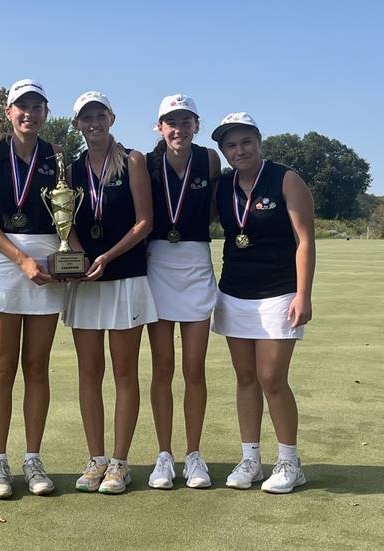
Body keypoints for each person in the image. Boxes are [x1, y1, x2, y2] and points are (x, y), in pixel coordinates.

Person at [210, 112, 315, 493]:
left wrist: (304, 294)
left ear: (259, 141)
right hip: (235, 292)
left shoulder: (285, 178)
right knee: (245, 377)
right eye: (231, 145)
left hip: (280, 292)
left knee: (272, 377)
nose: (239, 151)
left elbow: (305, 240)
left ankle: (289, 462)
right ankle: (250, 459)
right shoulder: (222, 185)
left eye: (246, 142)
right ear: (223, 151)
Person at [0, 79, 64, 499]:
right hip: (7, 262)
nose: (29, 113)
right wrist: (21, 259)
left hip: (47, 263)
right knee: (4, 366)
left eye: (37, 106)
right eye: (21, 106)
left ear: (46, 112)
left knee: (37, 367)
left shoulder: (57, 155)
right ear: (8, 112)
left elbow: (68, 220)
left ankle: (33, 459)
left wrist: (70, 261)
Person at [64, 91, 156, 494]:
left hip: (126, 277)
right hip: (86, 282)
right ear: (77, 124)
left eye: (99, 115)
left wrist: (107, 256)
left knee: (123, 372)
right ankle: (96, 458)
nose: (93, 123)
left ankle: (120, 462)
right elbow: (63, 221)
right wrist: (84, 258)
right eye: (86, 117)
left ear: (112, 118)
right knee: (89, 372)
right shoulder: (69, 169)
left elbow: (145, 222)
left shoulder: (133, 160)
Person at [144, 95, 221, 490]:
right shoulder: (145, 161)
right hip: (157, 264)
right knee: (163, 368)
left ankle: (193, 455)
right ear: (159, 127)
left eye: (185, 121)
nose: (178, 129)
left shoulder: (210, 160)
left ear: (196, 124)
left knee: (194, 369)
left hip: (195, 263)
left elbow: (209, 209)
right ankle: (163, 456)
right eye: (170, 122)